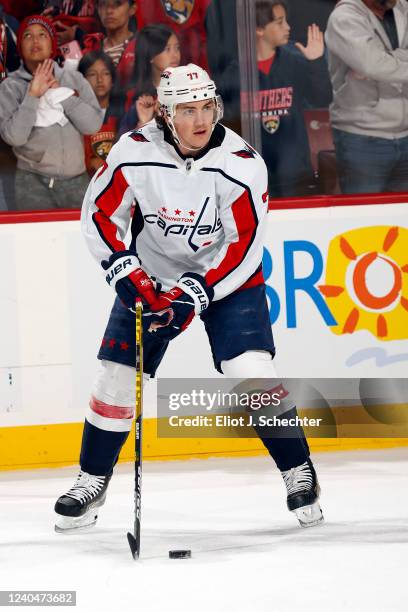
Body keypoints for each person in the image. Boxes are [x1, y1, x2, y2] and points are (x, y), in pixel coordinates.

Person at [53, 64, 323, 533]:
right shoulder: (134, 152)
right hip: (154, 276)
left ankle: (298, 471)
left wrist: (195, 293)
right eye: (187, 110)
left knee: (251, 372)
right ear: (165, 113)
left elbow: (243, 247)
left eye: (206, 108)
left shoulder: (241, 163)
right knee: (115, 376)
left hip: (226, 279)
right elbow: (100, 213)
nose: (200, 120)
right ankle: (90, 480)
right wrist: (124, 270)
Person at [0, 14, 103, 210]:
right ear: (20, 46)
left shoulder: (74, 79)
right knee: (35, 240)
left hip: (77, 180)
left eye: (42, 35)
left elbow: (93, 125)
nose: (35, 41)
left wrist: (61, 94)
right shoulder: (10, 87)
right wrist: (32, 95)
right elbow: (14, 137)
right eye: (27, 36)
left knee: (79, 240)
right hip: (32, 181)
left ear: (52, 43)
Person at [325, 0, 408, 194]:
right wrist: (380, 62)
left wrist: (385, 60)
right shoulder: (344, 17)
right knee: (364, 218)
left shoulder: (403, 8)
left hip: (405, 134)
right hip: (362, 139)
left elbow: (377, 65)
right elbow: (373, 65)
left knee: (403, 219)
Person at [255, 0, 332, 197]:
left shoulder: (294, 59)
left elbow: (322, 98)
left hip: (296, 174)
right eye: (280, 22)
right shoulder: (237, 70)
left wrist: (315, 62)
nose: (288, 27)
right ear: (259, 29)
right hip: (254, 175)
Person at [118, 24, 180, 135]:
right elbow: (122, 142)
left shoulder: (189, 86)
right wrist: (144, 122)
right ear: (151, 55)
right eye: (167, 49)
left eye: (177, 48)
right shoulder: (134, 97)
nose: (175, 54)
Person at [78, 50, 119, 176]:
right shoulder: (76, 115)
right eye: (92, 74)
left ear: (112, 80)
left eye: (106, 73)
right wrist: (90, 163)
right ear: (82, 80)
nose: (100, 80)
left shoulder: (121, 114)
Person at [82, 0, 136, 87]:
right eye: (103, 4)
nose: (109, 11)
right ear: (97, 9)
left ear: (132, 9)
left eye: (118, 3)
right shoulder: (91, 47)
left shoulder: (143, 46)